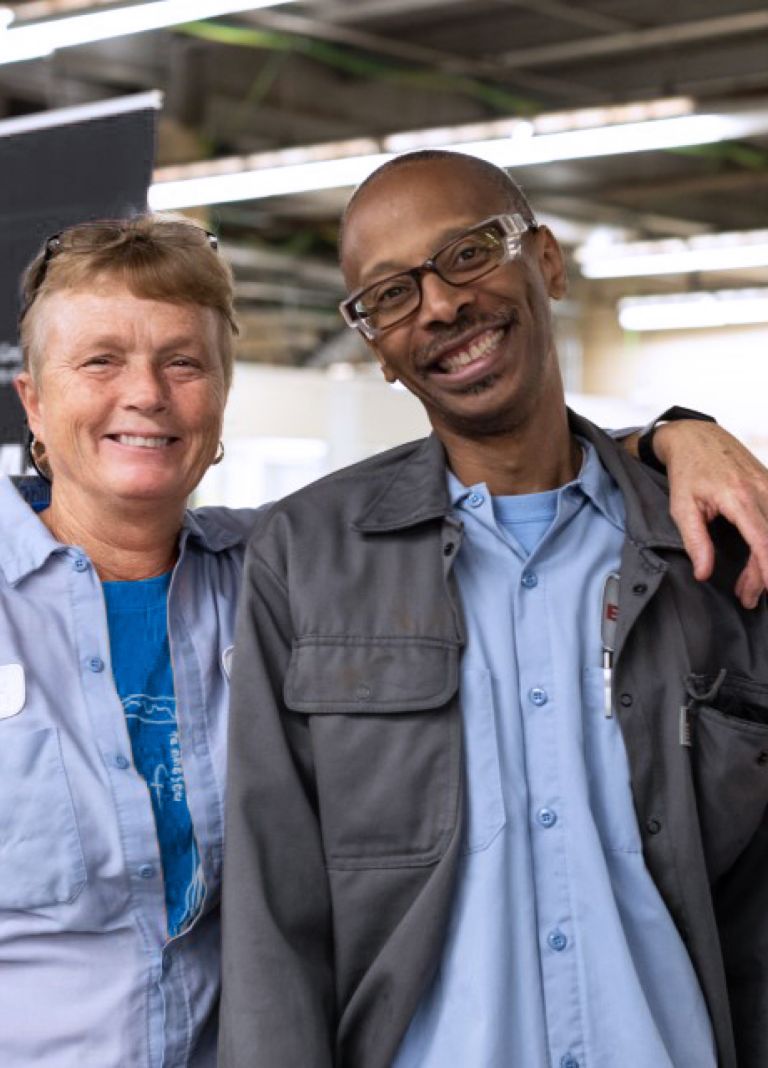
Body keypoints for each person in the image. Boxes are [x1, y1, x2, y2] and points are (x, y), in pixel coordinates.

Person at [219, 150, 768, 1068]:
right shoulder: (305, 558)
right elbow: (274, 916)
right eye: (391, 296)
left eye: (469, 253)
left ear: (545, 261)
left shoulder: (709, 550)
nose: (439, 305)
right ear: (379, 352)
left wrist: (678, 433)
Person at [2, 216, 260, 1067]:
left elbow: (460, 491)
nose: (146, 393)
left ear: (221, 398)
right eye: (100, 360)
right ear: (34, 401)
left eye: (183, 361)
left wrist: (659, 441)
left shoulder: (284, 578)